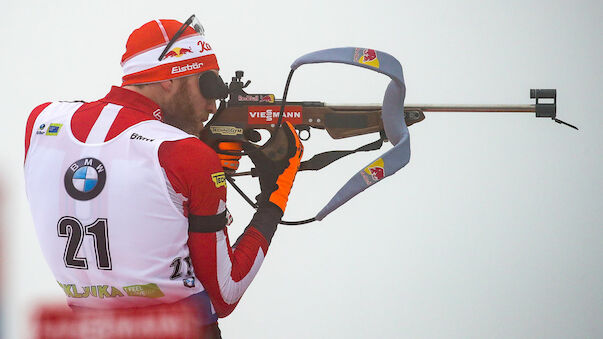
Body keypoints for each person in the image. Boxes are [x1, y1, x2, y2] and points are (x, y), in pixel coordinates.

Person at [24, 15, 303, 338]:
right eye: (207, 83)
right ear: (169, 80)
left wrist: (207, 167)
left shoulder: (41, 123)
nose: (213, 105)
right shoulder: (187, 155)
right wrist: (274, 198)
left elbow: (124, 179)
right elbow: (227, 293)